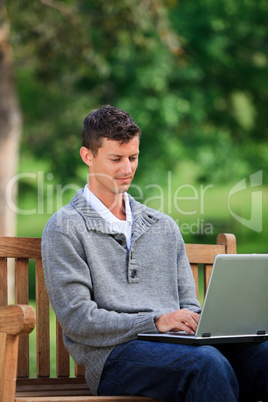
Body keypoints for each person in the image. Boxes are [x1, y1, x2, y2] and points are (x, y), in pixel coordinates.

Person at [42, 105, 268, 402]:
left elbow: (188, 302)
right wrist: (154, 322)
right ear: (88, 156)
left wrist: (204, 321)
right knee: (205, 364)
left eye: (133, 157)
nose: (127, 169)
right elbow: (79, 319)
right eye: (116, 159)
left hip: (181, 347)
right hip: (115, 358)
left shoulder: (163, 226)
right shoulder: (65, 228)